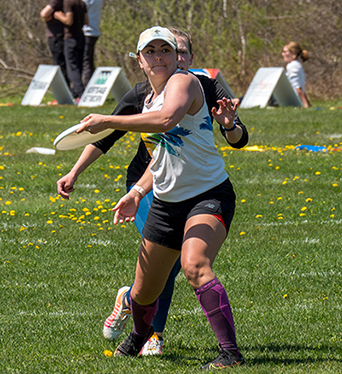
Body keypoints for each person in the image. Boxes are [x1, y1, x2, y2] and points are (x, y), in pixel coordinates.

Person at [56, 27, 248, 358]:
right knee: (144, 292)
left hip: (208, 194)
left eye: (165, 50)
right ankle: (139, 338)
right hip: (165, 202)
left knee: (194, 264)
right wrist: (138, 192)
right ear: (140, 60)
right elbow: (161, 155)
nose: (158, 56)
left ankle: (230, 354)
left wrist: (107, 119)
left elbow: (166, 121)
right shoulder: (144, 98)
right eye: (150, 51)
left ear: (178, 57)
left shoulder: (184, 82)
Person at [53, 0, 88, 100]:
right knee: (79, 65)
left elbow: (69, 21)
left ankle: (80, 93)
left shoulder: (68, 2)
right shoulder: (81, 2)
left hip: (71, 38)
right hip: (81, 37)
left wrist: (59, 16)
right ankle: (75, 93)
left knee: (72, 67)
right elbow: (86, 21)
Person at [40, 0, 69, 85]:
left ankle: (65, 89)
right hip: (58, 33)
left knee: (59, 62)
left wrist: (45, 16)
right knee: (62, 62)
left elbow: (44, 13)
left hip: (57, 34)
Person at [74, 0, 103, 87]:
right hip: (92, 31)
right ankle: (90, 84)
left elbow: (78, 6)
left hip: (88, 31)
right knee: (88, 60)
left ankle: (86, 86)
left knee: (85, 61)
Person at [282, 41, 311, 108]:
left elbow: (297, 88)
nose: (283, 54)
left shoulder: (292, 66)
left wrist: (306, 104)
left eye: (285, 52)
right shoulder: (296, 64)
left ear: (293, 53)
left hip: (292, 101)